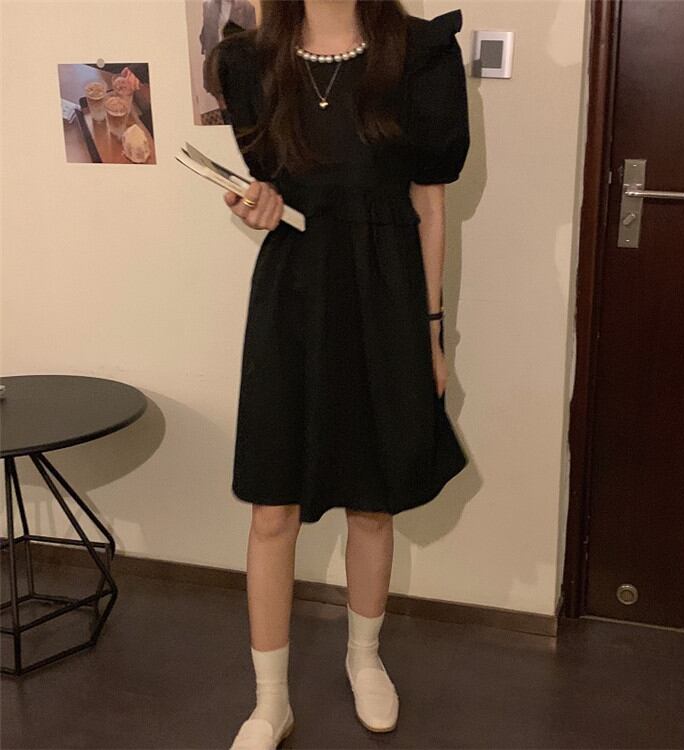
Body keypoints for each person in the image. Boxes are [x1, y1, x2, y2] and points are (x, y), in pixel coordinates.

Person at [207, 1, 470, 747]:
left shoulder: (418, 53)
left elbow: (430, 206)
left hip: (386, 295)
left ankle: (364, 657)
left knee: (372, 499)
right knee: (272, 506)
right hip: (294, 296)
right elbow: (266, 189)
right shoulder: (250, 61)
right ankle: (270, 701)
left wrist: (432, 332)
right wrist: (254, 206)